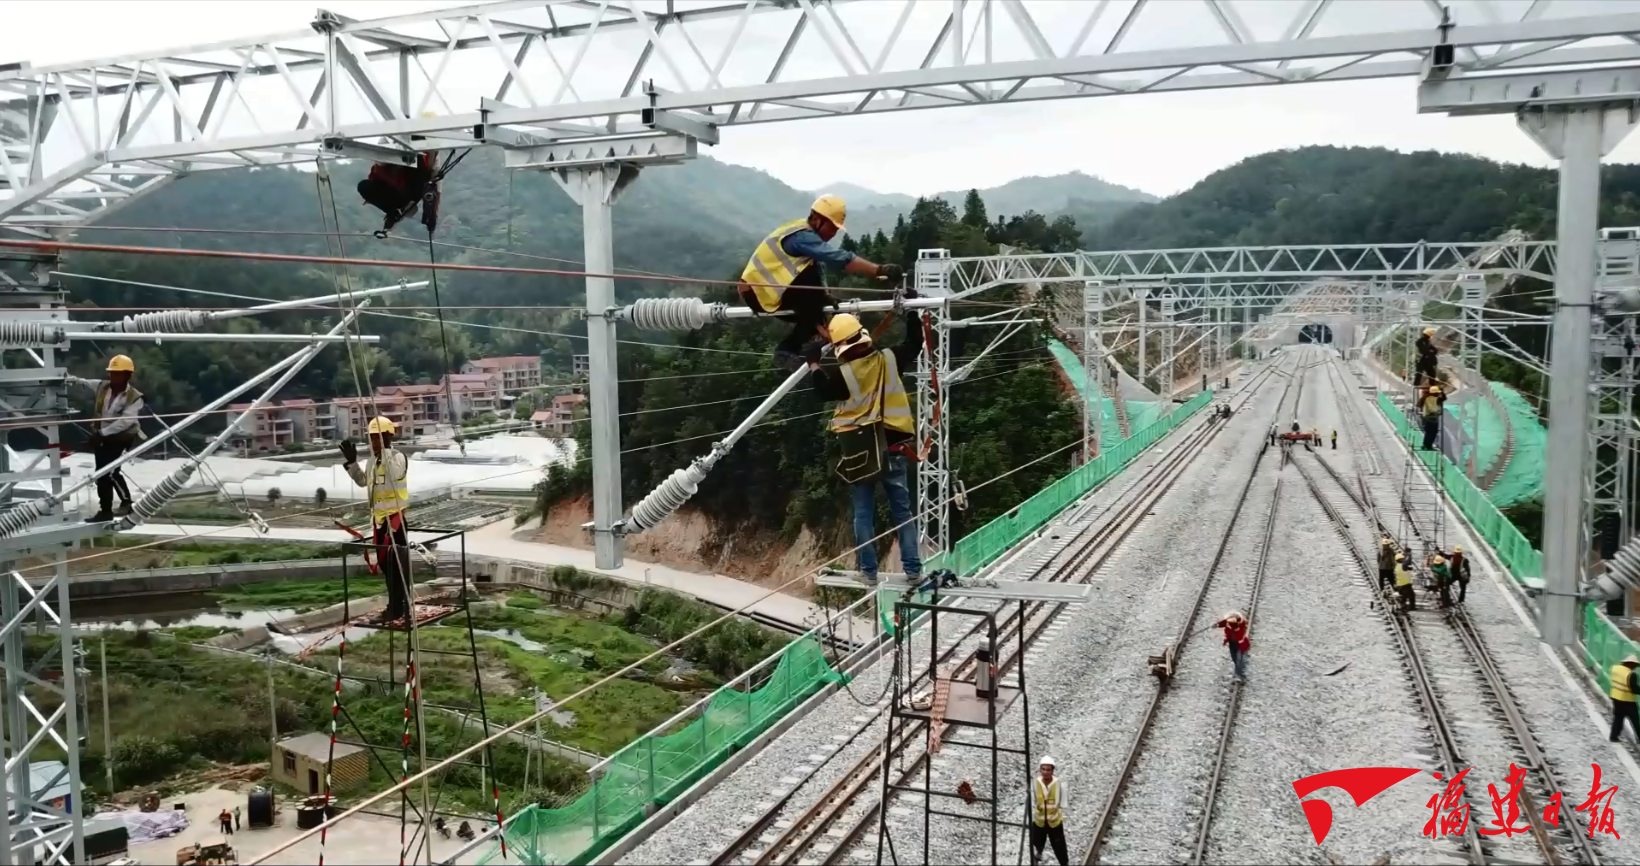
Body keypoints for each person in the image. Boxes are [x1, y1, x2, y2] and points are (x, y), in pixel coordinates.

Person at [808, 307, 924, 584]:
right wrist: (911, 314)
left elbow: (822, 389)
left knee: (863, 513)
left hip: (862, 453)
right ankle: (913, 570)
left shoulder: (843, 375)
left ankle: (868, 572)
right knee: (903, 512)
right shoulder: (891, 358)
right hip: (895, 448)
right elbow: (915, 343)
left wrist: (813, 363)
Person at [739, 195, 902, 370]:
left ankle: (788, 349)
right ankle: (787, 349)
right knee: (813, 298)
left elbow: (815, 270)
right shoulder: (802, 237)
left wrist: (824, 297)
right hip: (759, 293)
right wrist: (878, 270)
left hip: (771, 295)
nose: (833, 234)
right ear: (817, 220)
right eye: (832, 228)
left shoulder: (801, 234)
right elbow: (838, 258)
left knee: (818, 313)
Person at [342, 417, 413, 624]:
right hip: (380, 522)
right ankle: (395, 607)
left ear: (389, 436)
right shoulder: (373, 461)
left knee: (397, 567)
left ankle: (399, 608)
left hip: (395, 520)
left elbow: (394, 474)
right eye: (372, 438)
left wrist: (385, 452)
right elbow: (364, 482)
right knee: (385, 565)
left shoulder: (397, 458)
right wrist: (352, 463)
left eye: (379, 437)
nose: (374, 442)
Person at [68, 355, 145, 522]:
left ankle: (121, 505)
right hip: (102, 438)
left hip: (121, 438)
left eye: (118, 374)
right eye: (112, 373)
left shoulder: (134, 398)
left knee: (108, 473)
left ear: (127, 375)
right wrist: (68, 379)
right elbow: (84, 383)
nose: (113, 377)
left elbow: (126, 421)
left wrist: (101, 434)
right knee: (102, 474)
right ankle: (109, 510)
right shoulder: (102, 387)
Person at [357, 152, 436, 236]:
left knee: (417, 162)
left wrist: (432, 214)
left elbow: (432, 184)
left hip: (406, 194)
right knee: (363, 186)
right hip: (393, 192)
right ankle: (393, 212)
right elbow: (373, 183)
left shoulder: (419, 161)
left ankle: (398, 210)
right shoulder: (380, 168)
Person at [1029, 755, 1069, 866]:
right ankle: (1038, 853)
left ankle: (1064, 863)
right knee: (1036, 840)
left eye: (1048, 770)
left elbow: (1063, 803)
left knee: (1059, 845)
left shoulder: (1060, 784)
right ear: (1040, 769)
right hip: (1039, 821)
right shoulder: (1035, 783)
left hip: (1054, 822)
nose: (1045, 772)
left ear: (1052, 771)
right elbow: (1033, 799)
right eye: (1043, 769)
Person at [1212, 611, 1250, 682]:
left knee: (1239, 659)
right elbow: (1223, 623)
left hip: (1240, 644)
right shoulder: (1229, 622)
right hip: (1232, 643)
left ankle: (1239, 674)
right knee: (1234, 657)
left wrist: (1233, 627)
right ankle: (1239, 670)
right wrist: (1217, 625)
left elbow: (1240, 633)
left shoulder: (1242, 623)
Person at [1612, 654, 1640, 743]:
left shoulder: (1615, 669)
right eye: (1635, 665)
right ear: (1631, 664)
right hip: (1627, 701)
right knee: (1635, 721)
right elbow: (1634, 689)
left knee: (1618, 718)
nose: (1635, 667)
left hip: (1616, 697)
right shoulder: (1631, 674)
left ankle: (1614, 737)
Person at [1420, 385, 1446, 451]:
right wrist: (1442, 392)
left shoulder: (1430, 398)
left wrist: (1442, 392)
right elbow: (1443, 399)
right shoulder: (1432, 399)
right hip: (1431, 417)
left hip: (1429, 417)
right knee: (1432, 432)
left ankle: (1426, 445)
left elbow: (1443, 398)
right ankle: (1427, 446)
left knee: (1429, 432)